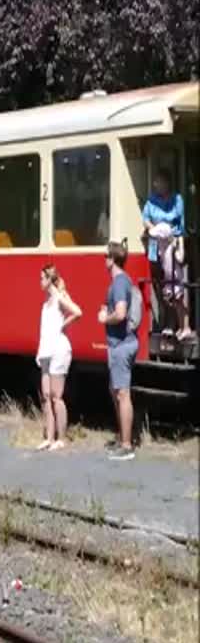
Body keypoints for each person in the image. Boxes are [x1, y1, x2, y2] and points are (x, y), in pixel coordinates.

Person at [97, 241, 138, 461]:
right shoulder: (117, 283)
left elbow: (120, 314)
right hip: (117, 344)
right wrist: (105, 310)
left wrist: (106, 317)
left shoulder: (120, 282)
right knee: (116, 391)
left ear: (112, 259)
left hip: (122, 345)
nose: (104, 259)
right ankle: (122, 437)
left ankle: (126, 445)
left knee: (122, 393)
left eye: (106, 256)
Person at [142, 168, 193, 341]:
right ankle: (169, 325)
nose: (155, 185)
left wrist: (164, 229)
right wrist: (152, 228)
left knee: (176, 286)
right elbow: (146, 219)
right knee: (162, 287)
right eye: (155, 182)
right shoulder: (151, 200)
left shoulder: (177, 199)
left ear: (167, 183)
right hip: (157, 248)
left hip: (171, 244)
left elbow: (177, 221)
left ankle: (181, 325)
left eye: (158, 182)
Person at [35, 265, 82, 451]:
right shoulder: (46, 302)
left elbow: (78, 312)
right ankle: (49, 437)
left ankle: (60, 438)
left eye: (42, 278)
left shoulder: (59, 298)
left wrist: (63, 324)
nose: (39, 282)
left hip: (58, 350)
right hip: (46, 350)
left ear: (49, 279)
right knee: (46, 395)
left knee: (56, 396)